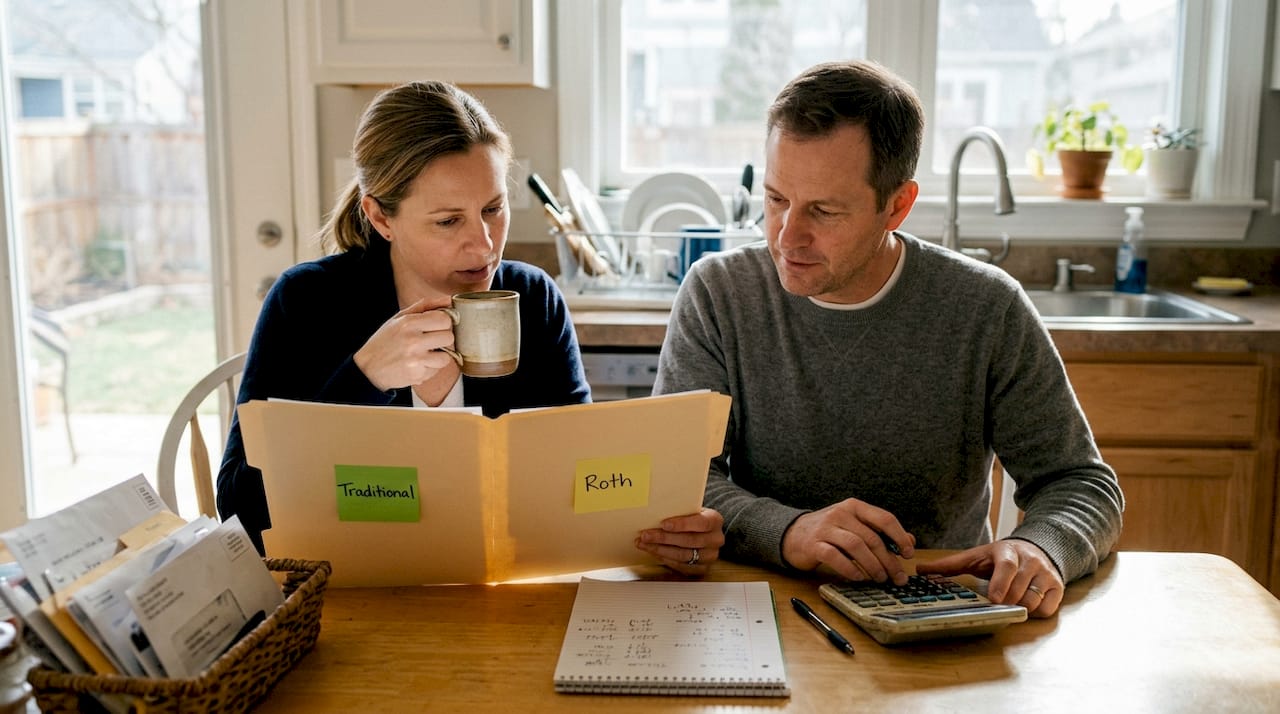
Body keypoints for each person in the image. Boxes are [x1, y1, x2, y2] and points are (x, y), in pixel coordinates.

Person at [652, 61, 1123, 617]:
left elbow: (1079, 483)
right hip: (764, 604)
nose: (787, 236)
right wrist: (789, 531)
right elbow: (679, 480)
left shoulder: (986, 308)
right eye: (776, 199)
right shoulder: (718, 292)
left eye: (824, 211)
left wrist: (1040, 546)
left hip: (938, 611)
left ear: (897, 206)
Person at [217, 81, 723, 572]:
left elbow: (581, 483)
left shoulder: (533, 299)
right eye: (447, 221)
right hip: (354, 590)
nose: (484, 245)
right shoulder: (307, 302)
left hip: (501, 593)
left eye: (493, 209)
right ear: (381, 217)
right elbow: (240, 512)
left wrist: (669, 532)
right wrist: (363, 379)